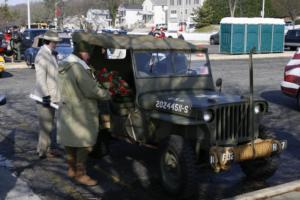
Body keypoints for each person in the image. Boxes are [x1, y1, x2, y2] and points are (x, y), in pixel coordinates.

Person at [57, 41, 111, 186]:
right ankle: (81, 174)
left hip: (67, 108)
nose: (89, 58)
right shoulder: (78, 68)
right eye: (88, 54)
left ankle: (71, 168)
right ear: (83, 53)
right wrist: (107, 93)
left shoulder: (63, 65)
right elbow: (91, 90)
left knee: (69, 140)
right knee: (85, 143)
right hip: (81, 111)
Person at [34, 30, 61, 159]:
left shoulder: (50, 54)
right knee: (46, 126)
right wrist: (45, 95)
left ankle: (44, 148)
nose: (57, 44)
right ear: (50, 41)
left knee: (48, 125)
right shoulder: (42, 55)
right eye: (55, 42)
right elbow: (40, 78)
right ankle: (43, 152)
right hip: (45, 97)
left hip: (51, 95)